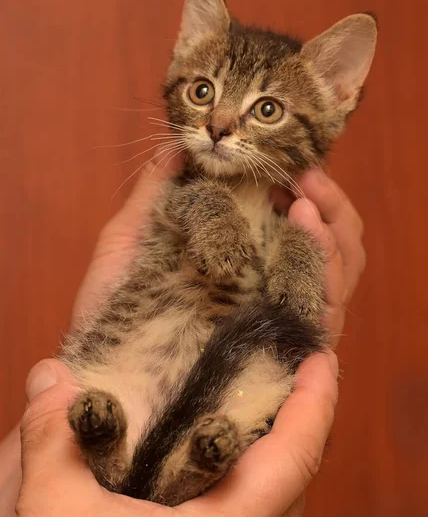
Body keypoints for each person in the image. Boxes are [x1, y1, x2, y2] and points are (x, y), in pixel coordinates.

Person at [0, 152, 365, 517]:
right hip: (139, 365)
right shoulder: (193, 182)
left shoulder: (289, 210)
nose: (219, 125)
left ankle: (180, 470)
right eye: (201, 91)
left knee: (247, 414)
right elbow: (176, 204)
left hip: (186, 385)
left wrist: (299, 253)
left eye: (268, 110)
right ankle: (150, 463)